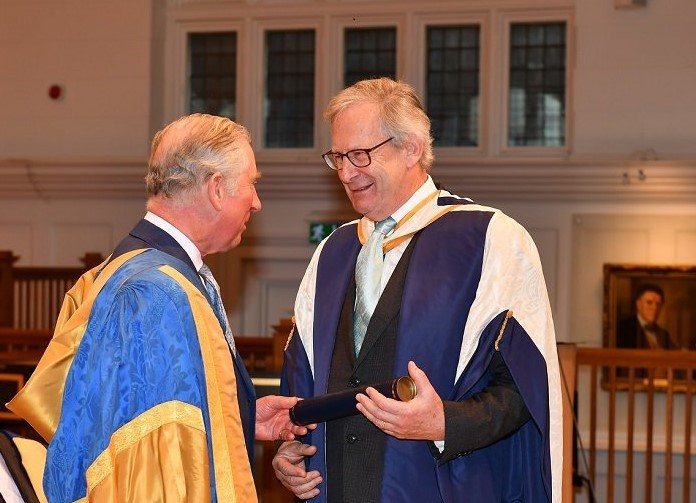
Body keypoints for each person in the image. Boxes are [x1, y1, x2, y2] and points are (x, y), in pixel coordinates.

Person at [272, 78, 563, 502]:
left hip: (433, 486)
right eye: (338, 157)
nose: (347, 173)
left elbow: (524, 391)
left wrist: (445, 422)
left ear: (410, 148)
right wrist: (289, 450)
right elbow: (302, 387)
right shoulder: (332, 252)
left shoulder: (488, 239)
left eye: (360, 154)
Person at [7, 113, 312, 502]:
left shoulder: (128, 270)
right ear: (217, 189)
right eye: (251, 185)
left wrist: (240, 412)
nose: (256, 202)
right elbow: (150, 468)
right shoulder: (159, 294)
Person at [616, 283, 679, 350]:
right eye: (649, 302)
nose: (655, 308)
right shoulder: (622, 329)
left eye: (658, 304)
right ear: (638, 304)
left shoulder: (664, 334)